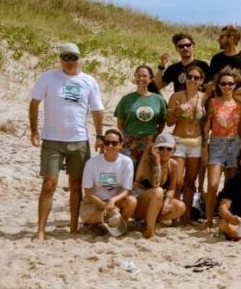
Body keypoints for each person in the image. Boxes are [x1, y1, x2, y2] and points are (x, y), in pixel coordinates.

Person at [29, 42, 105, 240]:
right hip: (52, 140)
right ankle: (40, 230)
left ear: (80, 59)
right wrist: (34, 130)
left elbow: (97, 110)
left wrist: (100, 136)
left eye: (73, 57)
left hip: (79, 140)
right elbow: (34, 103)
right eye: (66, 58)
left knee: (76, 185)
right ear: (60, 59)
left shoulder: (89, 81)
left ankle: (73, 227)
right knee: (49, 184)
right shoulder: (48, 78)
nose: (70, 62)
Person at [203, 68, 241, 228]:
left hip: (235, 143)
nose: (227, 86)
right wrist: (204, 147)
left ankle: (228, 218)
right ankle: (208, 220)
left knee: (230, 185)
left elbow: (240, 127)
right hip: (217, 143)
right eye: (223, 83)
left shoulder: (239, 104)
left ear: (235, 85)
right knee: (213, 185)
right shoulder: (213, 102)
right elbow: (207, 125)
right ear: (218, 85)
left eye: (230, 83)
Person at [166, 66, 208, 221]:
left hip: (196, 142)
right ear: (185, 78)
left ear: (201, 81)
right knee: (178, 181)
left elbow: (206, 125)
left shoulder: (204, 98)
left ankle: (187, 217)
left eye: (196, 78)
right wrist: (178, 112)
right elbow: (169, 122)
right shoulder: (176, 96)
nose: (192, 80)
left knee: (190, 182)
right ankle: (174, 216)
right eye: (190, 77)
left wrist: (205, 146)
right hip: (179, 141)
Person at [81, 128, 137, 236]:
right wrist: (103, 205)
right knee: (94, 216)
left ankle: (117, 226)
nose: (110, 146)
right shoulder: (91, 163)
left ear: (120, 145)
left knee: (132, 201)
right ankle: (109, 221)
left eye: (114, 143)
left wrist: (112, 201)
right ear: (103, 144)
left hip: (115, 202)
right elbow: (88, 192)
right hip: (95, 202)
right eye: (107, 143)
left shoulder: (126, 162)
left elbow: (127, 190)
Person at [132, 132, 187, 238]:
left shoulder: (173, 164)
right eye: (161, 148)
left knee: (180, 206)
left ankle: (150, 220)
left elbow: (171, 188)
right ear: (155, 149)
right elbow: (156, 183)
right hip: (139, 203)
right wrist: (157, 162)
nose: (165, 152)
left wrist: (168, 200)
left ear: (173, 150)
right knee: (158, 191)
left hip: (156, 201)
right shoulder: (147, 161)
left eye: (169, 149)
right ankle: (150, 229)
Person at [114, 64, 168, 167]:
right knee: (128, 172)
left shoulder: (159, 100)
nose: (141, 78)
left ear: (151, 78)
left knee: (146, 172)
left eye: (144, 76)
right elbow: (120, 124)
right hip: (129, 144)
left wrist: (153, 137)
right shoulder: (126, 99)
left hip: (149, 143)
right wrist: (130, 137)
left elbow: (162, 123)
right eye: (138, 75)